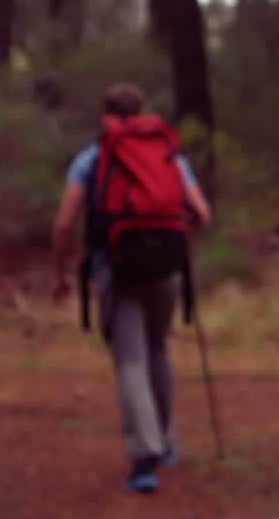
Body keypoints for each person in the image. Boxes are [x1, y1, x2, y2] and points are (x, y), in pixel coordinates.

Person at [50, 82, 212, 493]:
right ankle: (168, 442)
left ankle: (145, 458)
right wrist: (172, 245)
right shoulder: (169, 156)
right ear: (141, 112)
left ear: (105, 113)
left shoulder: (92, 158)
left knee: (131, 360)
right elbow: (202, 214)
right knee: (158, 347)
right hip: (167, 271)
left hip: (117, 269)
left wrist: (61, 273)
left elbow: (65, 223)